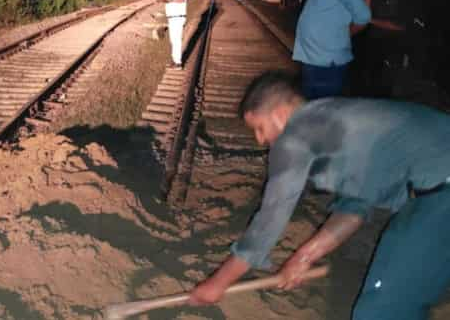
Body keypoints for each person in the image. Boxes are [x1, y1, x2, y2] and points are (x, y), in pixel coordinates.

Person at [189, 70, 450, 319]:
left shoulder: (297, 133)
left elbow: (270, 218)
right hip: (433, 193)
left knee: (384, 308)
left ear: (281, 114)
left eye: (259, 127)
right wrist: (303, 258)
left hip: (442, 195)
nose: (259, 140)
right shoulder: (333, 121)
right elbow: (355, 207)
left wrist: (217, 284)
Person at [361, 0, 418, 97]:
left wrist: (371, 21)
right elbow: (363, 14)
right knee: (368, 89)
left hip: (393, 50)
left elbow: (401, 25)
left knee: (386, 91)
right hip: (372, 48)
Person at [162, 0, 189, 69]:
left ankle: (178, 63)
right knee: (172, 40)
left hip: (178, 16)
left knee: (176, 40)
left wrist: (171, 0)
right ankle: (174, 60)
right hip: (171, 16)